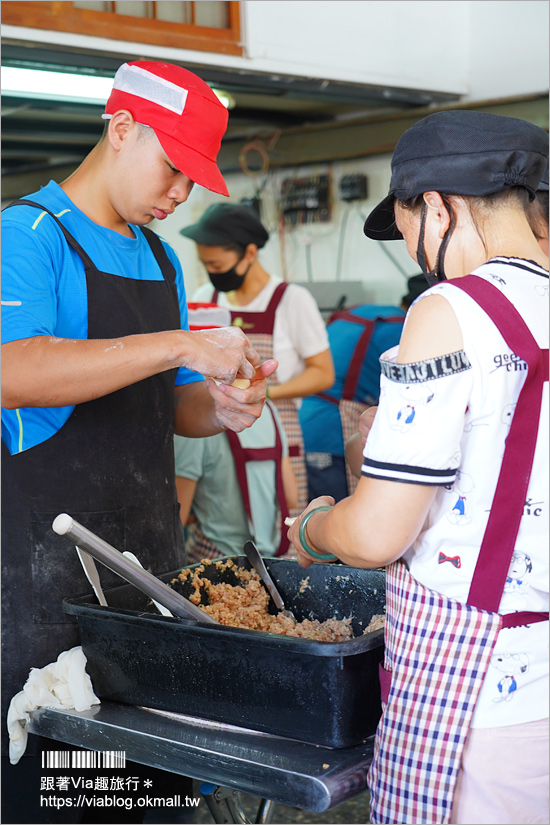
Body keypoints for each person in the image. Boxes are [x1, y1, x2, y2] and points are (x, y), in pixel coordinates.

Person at [1, 60, 276, 823]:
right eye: (174, 169)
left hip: (148, 580)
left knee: (152, 798)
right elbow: (13, 369)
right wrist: (182, 347)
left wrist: (223, 406)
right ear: (121, 130)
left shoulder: (159, 255)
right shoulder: (27, 233)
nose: (181, 194)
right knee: (61, 798)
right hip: (44, 590)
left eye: (195, 179)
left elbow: (171, 408)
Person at [287, 110, 548, 825]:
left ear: (439, 206)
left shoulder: (451, 306)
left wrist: (314, 529)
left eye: (412, 241)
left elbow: (376, 534)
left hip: (481, 700)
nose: (420, 266)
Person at [179, 203, 335, 516]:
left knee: (277, 521)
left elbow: (323, 373)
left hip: (277, 433)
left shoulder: (291, 300)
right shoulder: (206, 297)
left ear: (250, 253)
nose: (212, 272)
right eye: (206, 264)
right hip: (217, 433)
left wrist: (261, 393)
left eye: (218, 265)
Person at [299, 274, 428, 502]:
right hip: (332, 429)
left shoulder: (366, 312)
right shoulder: (401, 329)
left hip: (306, 420)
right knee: (335, 510)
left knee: (317, 508)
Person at [174, 398, 298, 563]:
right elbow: (291, 497)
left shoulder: (193, 416)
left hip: (215, 559)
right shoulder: (267, 409)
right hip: (270, 559)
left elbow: (176, 518)